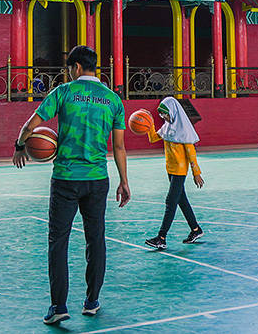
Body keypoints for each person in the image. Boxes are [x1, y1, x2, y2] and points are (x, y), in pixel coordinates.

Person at [12, 45, 129, 325]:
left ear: (76, 68)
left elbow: (31, 125)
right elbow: (120, 146)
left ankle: (59, 306)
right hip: (97, 179)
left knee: (58, 242)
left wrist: (19, 145)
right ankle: (91, 302)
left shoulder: (63, 93)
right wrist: (124, 181)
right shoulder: (113, 100)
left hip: (65, 179)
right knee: (96, 240)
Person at [142, 97, 205, 250]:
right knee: (181, 201)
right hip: (170, 170)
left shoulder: (184, 131)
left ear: (174, 112)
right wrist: (149, 123)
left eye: (165, 114)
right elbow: (152, 138)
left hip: (179, 171)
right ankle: (196, 230)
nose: (164, 117)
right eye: (161, 115)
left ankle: (161, 237)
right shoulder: (167, 128)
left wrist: (196, 173)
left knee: (171, 202)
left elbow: (191, 154)